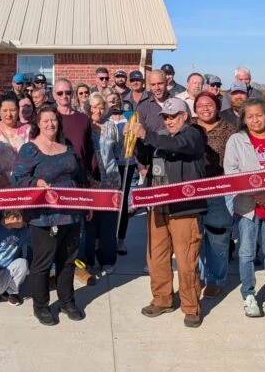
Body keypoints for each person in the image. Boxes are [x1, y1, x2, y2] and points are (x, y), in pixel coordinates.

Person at [130, 98, 206, 328]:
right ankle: (162, 298)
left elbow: (178, 146)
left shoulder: (193, 134)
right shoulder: (159, 136)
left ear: (185, 116)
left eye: (174, 116)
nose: (169, 121)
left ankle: (191, 306)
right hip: (158, 205)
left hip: (184, 207)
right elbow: (144, 157)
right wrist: (137, 141)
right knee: (157, 257)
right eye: (166, 116)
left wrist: (148, 135)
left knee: (186, 261)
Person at [12, 106, 87, 326]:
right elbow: (18, 179)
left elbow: (80, 176)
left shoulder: (68, 146)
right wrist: (36, 183)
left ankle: (67, 302)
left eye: (53, 120)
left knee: (68, 261)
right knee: (43, 263)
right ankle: (41, 306)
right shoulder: (30, 149)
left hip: (71, 214)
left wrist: (87, 203)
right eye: (45, 121)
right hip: (43, 217)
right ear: (38, 123)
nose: (50, 124)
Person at [223, 97, 265, 319]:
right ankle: (249, 294)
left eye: (259, 115)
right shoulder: (236, 140)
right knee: (246, 252)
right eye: (250, 116)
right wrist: (254, 193)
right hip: (247, 206)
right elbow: (231, 171)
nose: (255, 120)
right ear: (244, 119)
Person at [192, 92, 236, 298]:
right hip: (193, 190)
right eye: (200, 105)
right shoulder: (189, 127)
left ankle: (216, 279)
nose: (205, 109)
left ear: (217, 107)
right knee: (196, 236)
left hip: (220, 189)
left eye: (209, 105)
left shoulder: (229, 130)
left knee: (218, 237)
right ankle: (199, 275)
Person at [85, 93, 122, 274]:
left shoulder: (111, 127)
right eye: (94, 106)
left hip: (110, 180)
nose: (97, 110)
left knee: (108, 223)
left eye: (101, 107)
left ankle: (107, 259)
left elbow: (117, 151)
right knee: (91, 223)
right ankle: (89, 259)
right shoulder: (85, 127)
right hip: (91, 182)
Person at [104, 89, 135, 255]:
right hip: (109, 166)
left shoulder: (129, 117)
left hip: (126, 163)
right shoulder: (104, 120)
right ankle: (107, 237)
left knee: (122, 203)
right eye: (110, 100)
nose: (114, 102)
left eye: (116, 99)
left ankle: (121, 239)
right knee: (109, 202)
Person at [52, 79, 94, 187]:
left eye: (68, 92)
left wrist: (94, 174)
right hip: (55, 179)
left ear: (72, 94)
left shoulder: (83, 119)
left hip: (80, 178)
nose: (64, 96)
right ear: (54, 95)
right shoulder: (49, 118)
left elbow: (89, 149)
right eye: (60, 93)